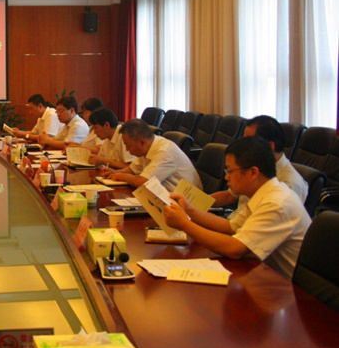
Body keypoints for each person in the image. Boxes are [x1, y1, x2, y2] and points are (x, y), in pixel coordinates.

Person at [164, 137, 311, 279]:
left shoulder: (276, 203)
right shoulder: (264, 193)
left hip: (288, 288)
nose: (226, 177)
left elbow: (235, 249)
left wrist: (184, 224)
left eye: (230, 171)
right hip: (262, 273)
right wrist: (189, 209)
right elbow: (229, 227)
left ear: (253, 172)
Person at [211, 115, 307, 206]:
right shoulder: (256, 165)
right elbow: (229, 196)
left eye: (249, 142)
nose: (243, 146)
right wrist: (202, 202)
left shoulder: (290, 184)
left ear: (269, 146)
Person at [103, 118, 202, 190]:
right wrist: (115, 173)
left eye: (128, 145)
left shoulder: (164, 151)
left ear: (142, 142)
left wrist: (124, 176)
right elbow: (133, 169)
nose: (126, 149)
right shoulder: (147, 147)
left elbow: (144, 183)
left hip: (189, 203)